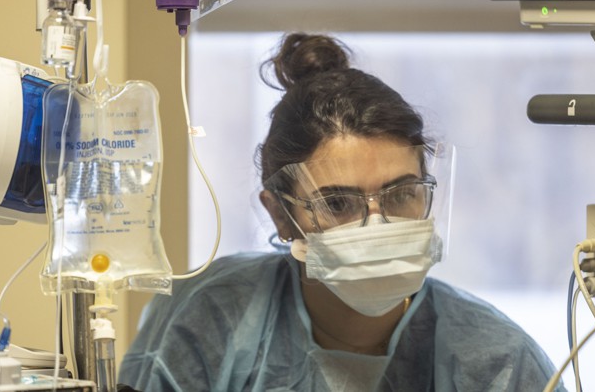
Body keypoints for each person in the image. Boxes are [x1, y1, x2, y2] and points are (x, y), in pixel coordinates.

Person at [118, 33, 563, 391]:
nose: (375, 223)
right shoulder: (213, 319)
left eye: (401, 193)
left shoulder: (496, 362)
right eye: (336, 203)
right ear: (280, 214)